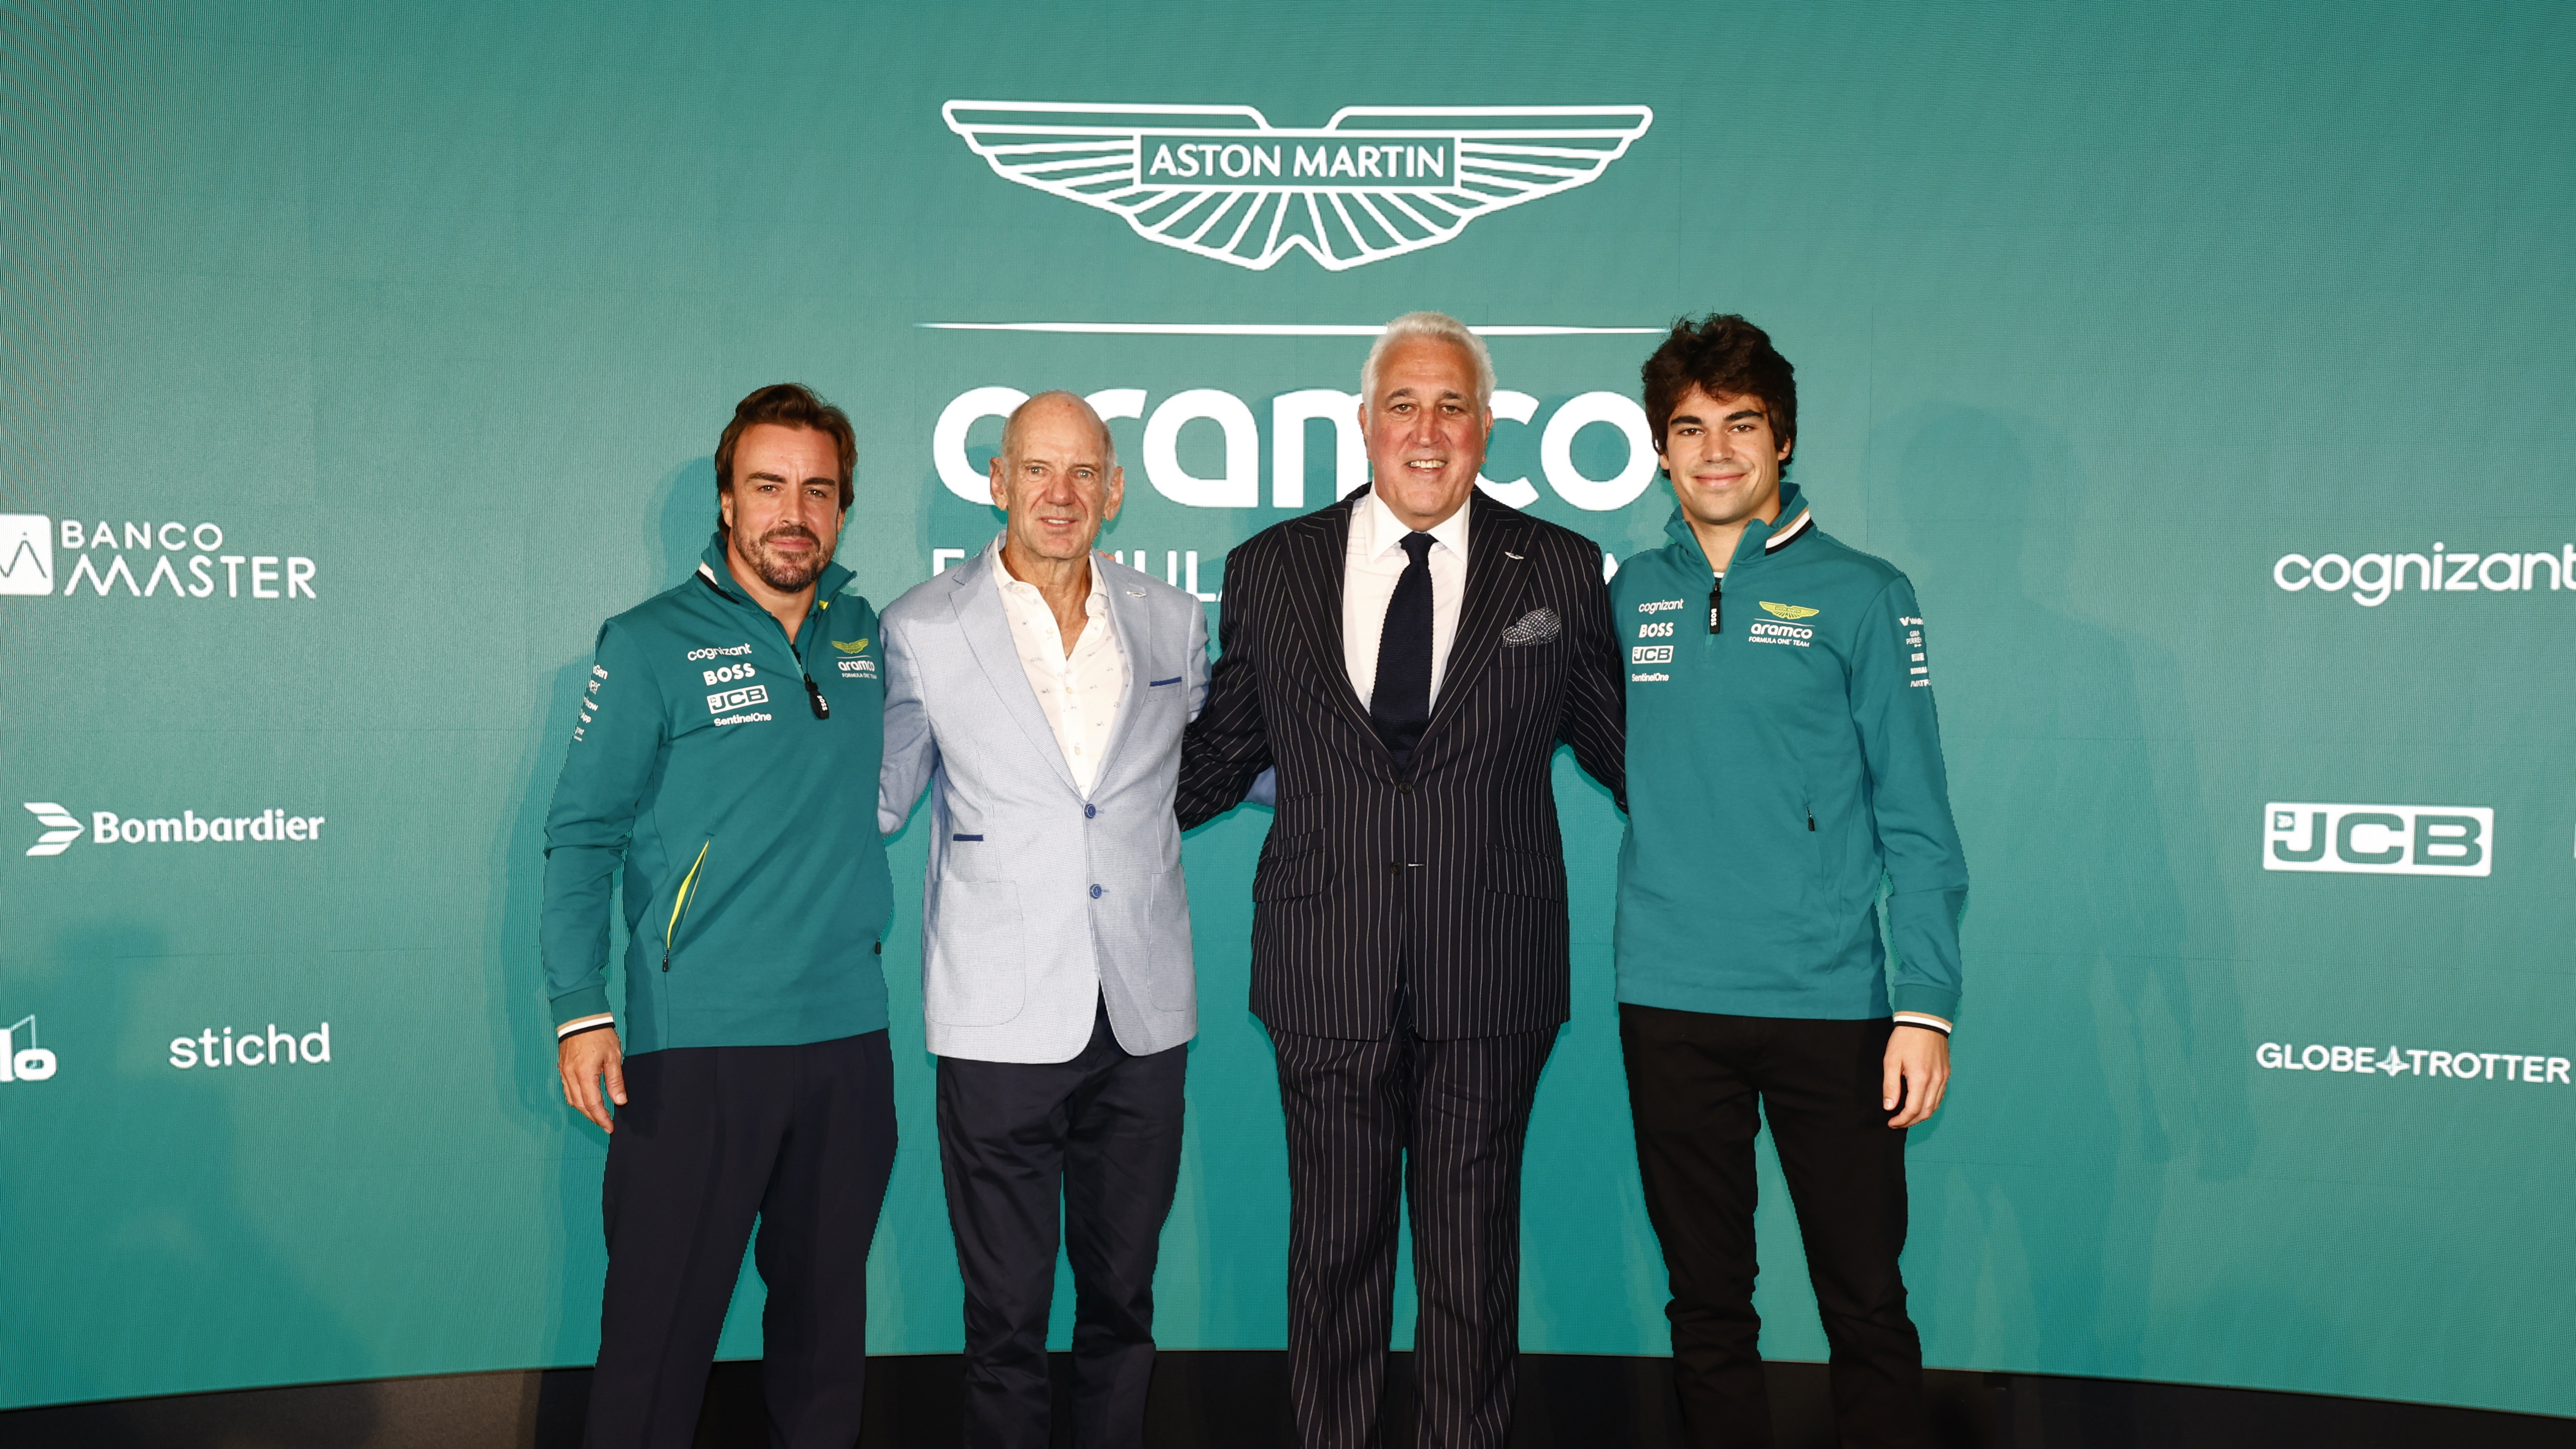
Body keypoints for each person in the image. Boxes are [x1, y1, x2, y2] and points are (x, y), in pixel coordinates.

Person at [1177, 313, 1625, 1449]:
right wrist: (1069, 803)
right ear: (1364, 422)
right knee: (1333, 1255)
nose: (1427, 431)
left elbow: (1635, 755)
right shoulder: (1271, 567)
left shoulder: (1559, 568)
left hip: (1492, 968)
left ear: (1487, 425)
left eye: (1452, 407)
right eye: (1404, 406)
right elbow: (1221, 754)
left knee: (1472, 1262)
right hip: (1324, 964)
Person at [1610, 315, 1968, 1449]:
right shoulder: (1627, 591)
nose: (1715, 450)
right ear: (1660, 449)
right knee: (1706, 1302)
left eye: (1741, 424)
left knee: (1864, 1299)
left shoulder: (1865, 592)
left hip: (1830, 1004)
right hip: (1668, 999)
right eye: (1690, 428)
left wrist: (1926, 1004)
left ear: (1784, 437)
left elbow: (1917, 815)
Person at [543, 383, 897, 1449]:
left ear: (842, 510)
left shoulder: (866, 633)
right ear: (728, 501)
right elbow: (583, 833)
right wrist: (579, 1007)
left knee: (825, 1341)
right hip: (698, 1045)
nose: (794, 512)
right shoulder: (648, 641)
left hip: (847, 1040)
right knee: (654, 1346)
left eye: (818, 491)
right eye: (768, 486)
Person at [879, 390, 1209, 1449]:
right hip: (997, 1023)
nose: (1059, 494)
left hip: (1142, 1017)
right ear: (998, 481)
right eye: (1036, 469)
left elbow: (1216, 763)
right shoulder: (921, 627)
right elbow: (878, 797)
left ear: (1114, 491)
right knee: (1005, 1322)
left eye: (1082, 473)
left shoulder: (1171, 617)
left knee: (1123, 1305)